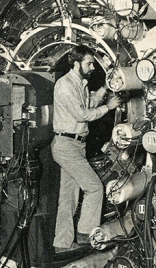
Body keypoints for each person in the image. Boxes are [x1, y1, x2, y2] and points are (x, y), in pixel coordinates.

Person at [51, 45, 119, 253]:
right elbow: (83, 114)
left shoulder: (78, 84)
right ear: (76, 63)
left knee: (68, 197)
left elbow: (89, 101)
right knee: (95, 188)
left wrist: (106, 89)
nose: (92, 67)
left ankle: (62, 244)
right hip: (66, 146)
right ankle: (84, 235)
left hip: (75, 145)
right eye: (89, 63)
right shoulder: (65, 86)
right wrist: (108, 107)